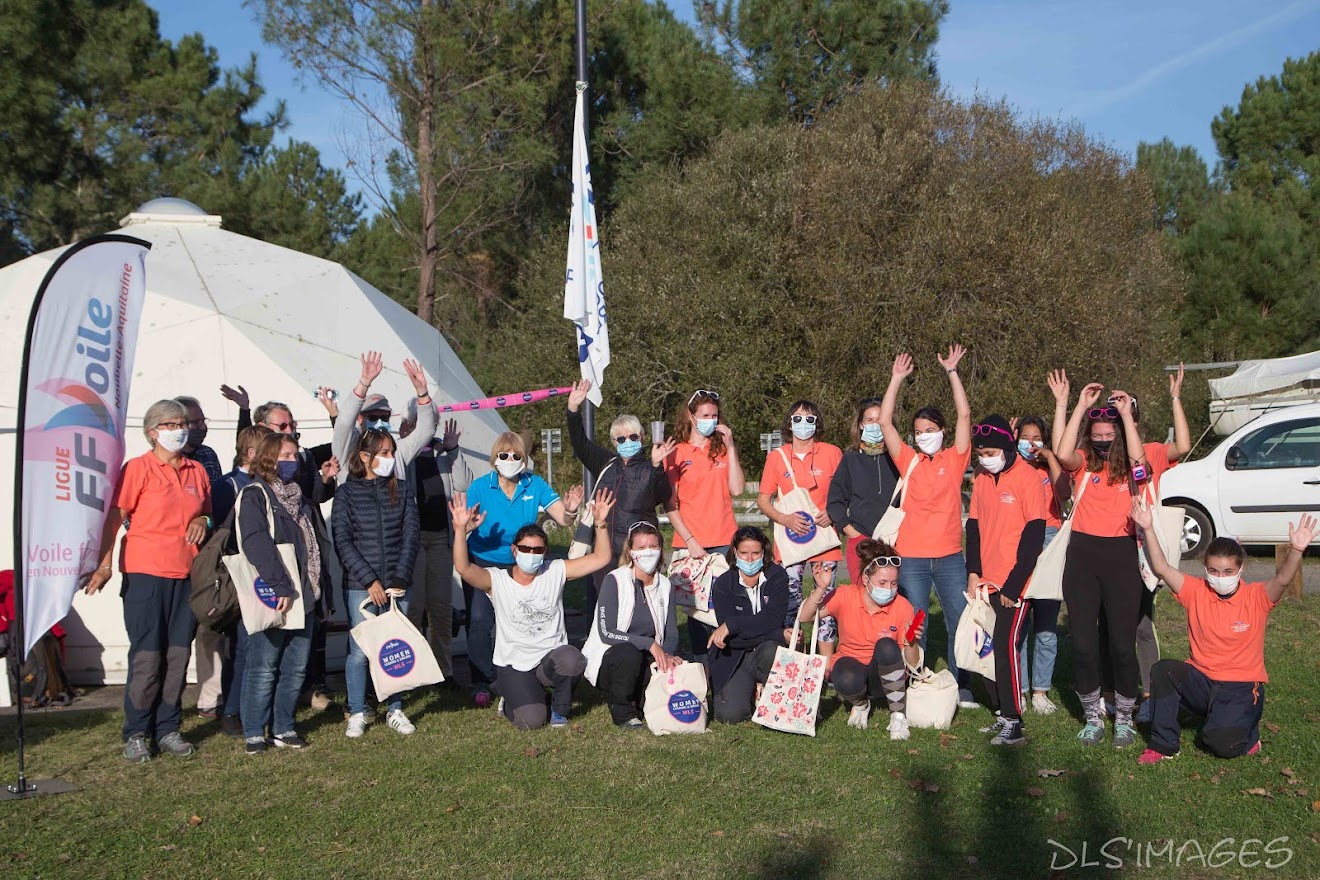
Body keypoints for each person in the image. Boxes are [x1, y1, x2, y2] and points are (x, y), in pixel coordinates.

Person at [1131, 503, 1313, 764]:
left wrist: (1296, 550)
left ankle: (1249, 733)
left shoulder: (1256, 597)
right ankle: (1163, 744)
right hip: (1203, 680)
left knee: (1221, 744)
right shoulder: (1196, 591)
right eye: (1214, 571)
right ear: (1206, 570)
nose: (1220, 577)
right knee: (1163, 670)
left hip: (1240, 686)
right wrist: (1148, 528)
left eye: (1228, 572)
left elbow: (1282, 580)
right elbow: (1162, 568)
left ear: (1241, 570)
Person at [85, 399, 211, 763]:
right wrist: (104, 564)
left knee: (177, 655)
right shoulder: (138, 469)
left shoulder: (196, 470)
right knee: (147, 655)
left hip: (187, 576)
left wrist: (202, 520)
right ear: (153, 431)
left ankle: (168, 727)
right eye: (171, 424)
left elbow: (205, 513)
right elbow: (114, 518)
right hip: (145, 574)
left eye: (182, 422)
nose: (179, 429)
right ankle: (137, 731)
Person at [1055, 385, 1170, 748]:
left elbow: (1139, 463)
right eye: (1097, 435)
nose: (1103, 440)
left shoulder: (1133, 472)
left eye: (1109, 435)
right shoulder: (1084, 467)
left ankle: (1124, 717)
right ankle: (1093, 716)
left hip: (1122, 556)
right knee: (1086, 645)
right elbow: (1060, 452)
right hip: (1083, 557)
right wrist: (1079, 406)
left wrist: (1123, 416)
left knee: (1122, 645)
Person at [450, 488, 618, 730]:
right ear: (514, 550)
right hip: (513, 664)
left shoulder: (554, 570)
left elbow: (601, 558)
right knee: (532, 721)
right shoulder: (497, 579)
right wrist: (459, 530)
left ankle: (560, 711)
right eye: (525, 549)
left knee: (573, 659)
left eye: (538, 550)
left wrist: (600, 525)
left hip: (548, 659)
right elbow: (464, 568)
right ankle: (509, 700)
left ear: (545, 552)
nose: (531, 554)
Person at [877, 347, 975, 707]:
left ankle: (961, 687)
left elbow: (965, 414)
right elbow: (885, 423)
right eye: (918, 431)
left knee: (958, 622)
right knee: (916, 625)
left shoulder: (955, 457)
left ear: (942, 432)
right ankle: (915, 681)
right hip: (912, 558)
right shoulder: (909, 460)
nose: (923, 436)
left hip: (950, 557)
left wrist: (952, 372)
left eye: (930, 430)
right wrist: (896, 380)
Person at [460, 432, 581, 707]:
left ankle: (528, 676)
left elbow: (562, 516)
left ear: (524, 460)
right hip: (484, 562)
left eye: (517, 456)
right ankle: (483, 680)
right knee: (480, 622)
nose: (510, 460)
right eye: (504, 455)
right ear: (495, 458)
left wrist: (571, 510)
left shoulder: (534, 484)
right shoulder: (479, 487)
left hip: (522, 563)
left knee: (523, 620)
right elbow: (464, 525)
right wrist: (468, 527)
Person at [331, 429, 421, 738]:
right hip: (360, 585)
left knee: (395, 648)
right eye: (383, 452)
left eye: (392, 452)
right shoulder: (346, 493)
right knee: (359, 652)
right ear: (364, 457)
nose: (390, 458)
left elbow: (411, 535)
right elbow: (342, 540)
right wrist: (369, 580)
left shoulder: (404, 490)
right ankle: (358, 710)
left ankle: (395, 707)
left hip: (397, 583)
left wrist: (400, 576)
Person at [964, 414, 1047, 746]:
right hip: (986, 582)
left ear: (1008, 448)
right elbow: (973, 529)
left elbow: (1033, 537)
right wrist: (973, 572)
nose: (986, 459)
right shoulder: (983, 478)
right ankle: (1001, 713)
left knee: (1005, 646)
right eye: (981, 454)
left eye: (990, 453)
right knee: (987, 649)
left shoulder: (1028, 478)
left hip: (1016, 585)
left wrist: (1013, 587)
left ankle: (1014, 722)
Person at [237, 432, 321, 754]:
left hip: (306, 594)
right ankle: (254, 731)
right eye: (285, 455)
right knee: (263, 665)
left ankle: (284, 727)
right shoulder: (255, 495)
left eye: (294, 455)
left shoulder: (300, 497)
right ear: (269, 458)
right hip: (275, 593)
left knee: (295, 667)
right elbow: (256, 542)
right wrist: (280, 585)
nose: (292, 461)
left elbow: (313, 547)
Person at [566, 379, 676, 609]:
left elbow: (665, 496)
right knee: (601, 605)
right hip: (603, 547)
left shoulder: (650, 467)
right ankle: (599, 644)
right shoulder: (606, 462)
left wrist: (657, 467)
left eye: (633, 437)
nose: (628, 442)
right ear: (614, 442)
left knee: (636, 605)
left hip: (636, 549)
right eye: (621, 438)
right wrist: (573, 409)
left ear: (642, 438)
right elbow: (579, 443)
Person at [796, 540, 922, 739]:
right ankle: (861, 704)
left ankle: (898, 716)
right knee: (844, 671)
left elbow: (913, 664)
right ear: (865, 579)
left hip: (885, 675)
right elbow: (805, 616)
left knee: (887, 645)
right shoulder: (846, 595)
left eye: (894, 583)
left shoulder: (903, 606)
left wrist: (912, 640)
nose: (889, 589)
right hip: (851, 668)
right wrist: (821, 589)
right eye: (882, 583)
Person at [755, 399, 843, 654]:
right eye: (797, 419)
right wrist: (784, 518)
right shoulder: (777, 457)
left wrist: (834, 513)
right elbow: (763, 499)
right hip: (791, 542)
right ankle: (792, 659)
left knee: (826, 604)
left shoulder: (832, 452)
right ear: (789, 424)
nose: (803, 424)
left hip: (824, 540)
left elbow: (845, 493)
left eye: (809, 419)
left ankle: (826, 667)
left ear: (817, 423)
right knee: (790, 602)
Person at [663, 389, 744, 659]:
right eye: (705, 415)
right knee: (696, 613)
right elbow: (670, 505)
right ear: (691, 416)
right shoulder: (676, 452)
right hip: (692, 544)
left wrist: (731, 447)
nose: (711, 419)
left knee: (725, 608)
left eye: (715, 415)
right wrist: (689, 540)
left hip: (724, 540)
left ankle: (727, 665)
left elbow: (737, 489)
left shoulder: (720, 450)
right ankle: (702, 668)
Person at [581, 522, 683, 729]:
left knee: (678, 667)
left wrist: (667, 654)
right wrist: (649, 644)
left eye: (653, 547)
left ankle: (642, 700)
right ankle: (623, 713)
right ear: (630, 551)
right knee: (629, 654)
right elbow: (607, 632)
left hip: (649, 657)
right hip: (613, 657)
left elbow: (671, 633)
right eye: (641, 548)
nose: (648, 553)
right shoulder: (615, 580)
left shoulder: (665, 585)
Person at [212, 424, 272, 738]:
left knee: (261, 645)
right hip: (239, 575)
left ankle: (258, 707)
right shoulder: (227, 485)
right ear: (250, 453)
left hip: (266, 574)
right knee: (241, 647)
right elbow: (223, 534)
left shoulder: (268, 483)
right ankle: (232, 710)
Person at [404, 414, 471, 681]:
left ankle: (444, 672)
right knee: (413, 608)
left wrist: (453, 448)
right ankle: (415, 673)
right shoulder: (403, 456)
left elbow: (464, 483)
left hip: (440, 540)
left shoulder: (441, 457)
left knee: (441, 609)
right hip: (413, 542)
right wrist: (409, 441)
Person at [707, 527, 792, 724]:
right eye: (744, 553)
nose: (750, 559)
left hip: (765, 651)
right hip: (734, 656)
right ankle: (753, 690)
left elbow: (773, 618)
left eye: (756, 553)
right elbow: (733, 641)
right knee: (730, 716)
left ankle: (769, 688)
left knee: (773, 649)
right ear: (735, 552)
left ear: (764, 553)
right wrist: (777, 634)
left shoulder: (777, 576)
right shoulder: (722, 584)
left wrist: (733, 624)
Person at [1013, 407, 1065, 716]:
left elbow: (1065, 493)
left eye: (1037, 439)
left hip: (1050, 540)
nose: (1030, 444)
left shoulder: (1048, 470)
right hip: (1018, 541)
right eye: (1024, 438)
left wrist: (1052, 458)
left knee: (1046, 626)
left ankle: (1041, 691)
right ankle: (1017, 687)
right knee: (1018, 626)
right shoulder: (1008, 471)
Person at [826, 397, 901, 587]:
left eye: (879, 420)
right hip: (861, 543)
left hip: (896, 542)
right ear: (861, 425)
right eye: (869, 420)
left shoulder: (900, 458)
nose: (875, 425)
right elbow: (835, 501)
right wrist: (852, 532)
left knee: (893, 597)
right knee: (861, 598)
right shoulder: (850, 459)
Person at [332, 351, 438, 484]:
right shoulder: (348, 449)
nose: (379, 422)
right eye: (372, 417)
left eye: (384, 417)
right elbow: (343, 423)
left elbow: (426, 431)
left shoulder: (397, 451)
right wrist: (364, 383)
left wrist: (422, 391)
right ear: (360, 418)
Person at [175, 395, 223, 484]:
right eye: (196, 422)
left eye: (203, 421)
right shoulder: (168, 459)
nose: (203, 428)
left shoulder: (208, 453)